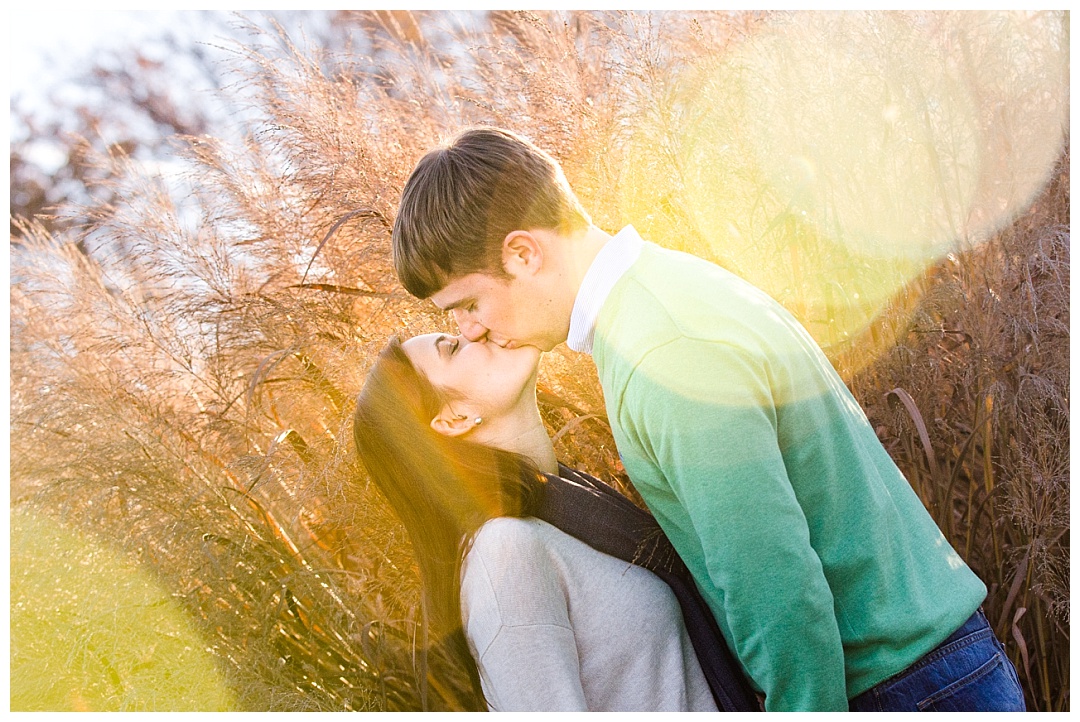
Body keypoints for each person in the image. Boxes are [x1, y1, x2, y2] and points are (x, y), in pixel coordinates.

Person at [389, 126, 1027, 712]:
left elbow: (776, 587)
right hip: (923, 675)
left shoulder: (660, 350)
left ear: (523, 254)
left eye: (468, 303)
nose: (471, 328)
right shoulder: (660, 295)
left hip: (906, 689)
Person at [352, 332, 746, 711]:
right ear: (455, 418)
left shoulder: (569, 504)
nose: (475, 331)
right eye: (452, 347)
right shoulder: (503, 553)